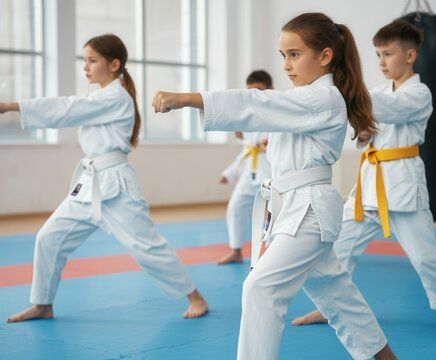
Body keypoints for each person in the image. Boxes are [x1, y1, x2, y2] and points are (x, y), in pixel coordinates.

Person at [152, 12, 396, 360]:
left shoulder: (322, 98)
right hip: (293, 208)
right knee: (337, 295)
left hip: (308, 211)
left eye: (294, 54)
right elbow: (272, 113)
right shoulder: (310, 97)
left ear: (325, 56)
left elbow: (259, 103)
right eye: (283, 55)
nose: (286, 65)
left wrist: (191, 98)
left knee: (260, 289)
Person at [0, 34, 208, 323]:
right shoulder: (102, 96)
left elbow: (66, 108)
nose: (85, 66)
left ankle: (195, 297)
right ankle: (43, 303)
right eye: (84, 60)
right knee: (49, 237)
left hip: (116, 187)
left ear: (114, 64)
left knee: (146, 246)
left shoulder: (114, 97)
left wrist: (11, 105)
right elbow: (71, 107)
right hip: (88, 184)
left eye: (92, 60)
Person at [291, 20, 436, 332]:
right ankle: (327, 307)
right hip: (368, 187)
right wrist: (359, 128)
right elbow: (363, 129)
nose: (382, 62)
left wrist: (343, 87)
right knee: (336, 246)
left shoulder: (419, 93)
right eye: (377, 54)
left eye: (388, 54)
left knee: (425, 256)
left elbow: (386, 108)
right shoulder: (375, 91)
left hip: (402, 187)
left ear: (411, 55)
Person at [218, 70, 272, 265]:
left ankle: (273, 254)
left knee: (273, 216)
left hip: (271, 173)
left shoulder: (277, 114)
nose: (253, 95)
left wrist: (271, 144)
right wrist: (230, 173)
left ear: (270, 90)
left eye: (258, 90)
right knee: (235, 208)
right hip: (250, 173)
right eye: (250, 91)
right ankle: (236, 250)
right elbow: (247, 152)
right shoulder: (247, 117)